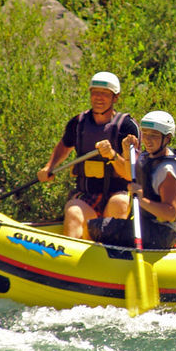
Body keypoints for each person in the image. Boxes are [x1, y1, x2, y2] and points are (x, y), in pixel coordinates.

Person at [38, 71, 139, 239]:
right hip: (87, 193)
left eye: (105, 94)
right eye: (95, 93)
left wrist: (113, 155)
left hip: (118, 192)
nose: (99, 98)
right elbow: (64, 145)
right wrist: (50, 166)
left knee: (119, 204)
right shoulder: (78, 123)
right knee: (73, 211)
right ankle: (69, 260)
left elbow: (129, 173)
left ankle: (111, 256)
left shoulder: (128, 128)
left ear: (115, 98)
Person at [87, 110, 176, 250]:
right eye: (145, 133)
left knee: (97, 228)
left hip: (162, 232)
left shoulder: (167, 170)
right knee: (96, 226)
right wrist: (126, 152)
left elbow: (170, 213)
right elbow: (129, 175)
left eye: (154, 135)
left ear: (167, 138)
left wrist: (142, 200)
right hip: (146, 225)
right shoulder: (150, 158)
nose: (147, 139)